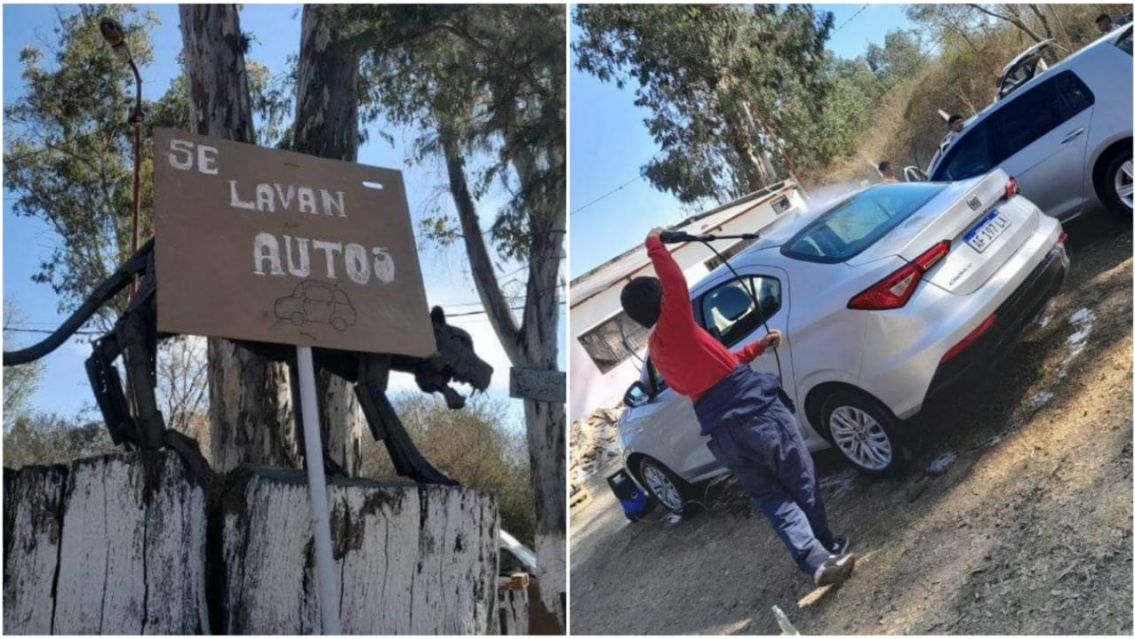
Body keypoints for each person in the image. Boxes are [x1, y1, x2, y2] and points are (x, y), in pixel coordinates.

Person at [620, 228, 856, 587]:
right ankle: (827, 544)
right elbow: (675, 280)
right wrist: (654, 242)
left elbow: (715, 368)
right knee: (800, 479)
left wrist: (757, 347)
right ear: (662, 300)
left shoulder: (658, 352)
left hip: (722, 432)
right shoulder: (675, 321)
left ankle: (816, 561)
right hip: (754, 411)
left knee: (770, 495)